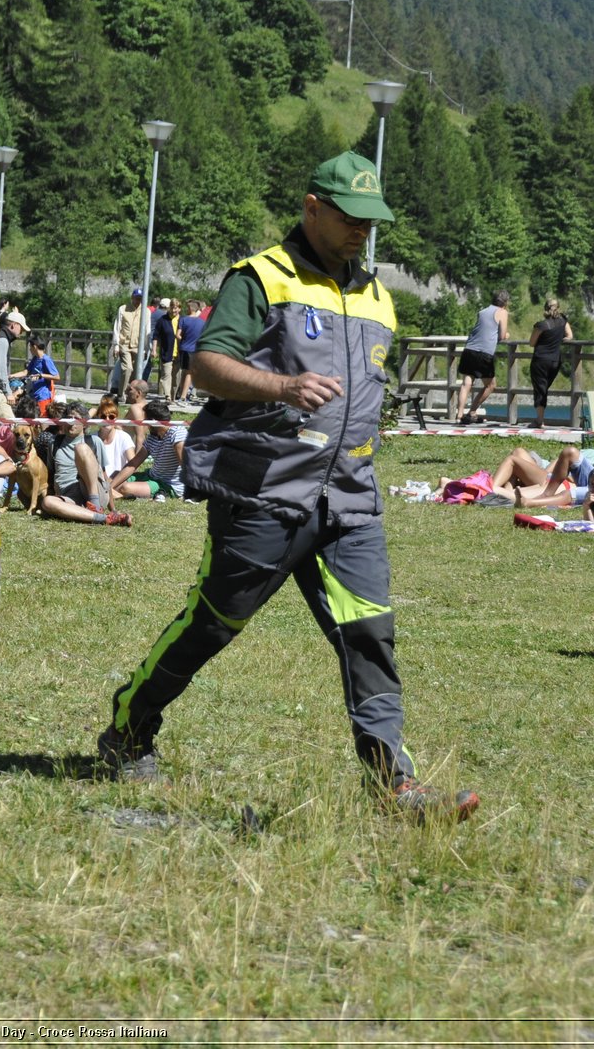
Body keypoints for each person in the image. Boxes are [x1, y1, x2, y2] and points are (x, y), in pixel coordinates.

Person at [95, 151, 478, 822]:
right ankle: (128, 726)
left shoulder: (378, 296)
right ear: (311, 208)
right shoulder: (260, 279)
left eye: (372, 220)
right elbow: (208, 366)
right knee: (213, 624)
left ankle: (395, 783)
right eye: (350, 217)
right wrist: (284, 387)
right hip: (263, 494)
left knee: (370, 635)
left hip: (350, 500)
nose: (363, 229)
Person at [38, 399, 130, 527]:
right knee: (47, 502)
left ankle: (96, 506)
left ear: (85, 424)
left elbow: (104, 477)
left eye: (76, 419)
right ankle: (103, 518)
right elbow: (50, 474)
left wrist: (113, 508)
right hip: (69, 497)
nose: (72, 423)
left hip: (93, 492)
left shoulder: (94, 441)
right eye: (69, 418)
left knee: (80, 448)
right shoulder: (55, 443)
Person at [107, 397, 188, 500]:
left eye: (146, 420)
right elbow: (133, 464)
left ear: (153, 422)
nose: (144, 423)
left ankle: (117, 493)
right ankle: (110, 492)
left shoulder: (178, 433)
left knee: (125, 488)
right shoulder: (152, 438)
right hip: (151, 476)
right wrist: (110, 487)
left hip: (169, 484)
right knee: (114, 476)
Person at [457, 290, 508, 425]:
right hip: (484, 353)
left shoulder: (483, 311)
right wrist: (506, 335)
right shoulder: (502, 312)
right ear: (505, 303)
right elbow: (502, 336)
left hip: (469, 349)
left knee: (466, 383)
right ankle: (472, 411)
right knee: (491, 385)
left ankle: (459, 414)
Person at [528, 297, 571, 428]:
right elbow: (569, 336)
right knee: (544, 388)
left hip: (540, 360)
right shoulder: (563, 320)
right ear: (558, 308)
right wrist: (559, 339)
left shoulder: (541, 325)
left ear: (545, 309)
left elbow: (531, 343)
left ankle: (539, 420)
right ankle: (540, 419)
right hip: (555, 360)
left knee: (540, 389)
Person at [111, 288, 145, 402]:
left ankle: (132, 395)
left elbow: (147, 330)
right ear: (132, 297)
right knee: (127, 368)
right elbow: (117, 327)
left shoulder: (145, 311)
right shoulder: (123, 309)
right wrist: (116, 345)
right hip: (124, 344)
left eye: (140, 299)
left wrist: (145, 348)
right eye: (136, 298)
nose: (137, 301)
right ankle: (121, 394)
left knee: (136, 371)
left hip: (138, 345)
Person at [151, 298, 180, 399]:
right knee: (166, 375)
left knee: (176, 377)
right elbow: (155, 336)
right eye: (172, 308)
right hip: (167, 352)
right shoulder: (162, 320)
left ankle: (173, 396)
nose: (173, 310)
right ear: (168, 308)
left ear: (179, 309)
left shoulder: (182, 320)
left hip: (179, 353)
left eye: (176, 308)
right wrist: (154, 350)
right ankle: (167, 395)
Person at [176, 299, 204, 402]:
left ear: (189, 308)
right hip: (194, 349)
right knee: (189, 373)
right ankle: (184, 396)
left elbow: (178, 335)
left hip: (184, 348)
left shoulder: (183, 320)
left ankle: (181, 395)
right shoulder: (202, 323)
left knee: (185, 372)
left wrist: (183, 339)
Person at [23, 334, 58, 408]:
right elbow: (25, 372)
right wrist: (10, 376)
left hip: (43, 396)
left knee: (42, 419)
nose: (29, 349)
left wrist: (41, 375)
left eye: (30, 347)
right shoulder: (35, 359)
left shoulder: (46, 359)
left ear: (35, 347)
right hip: (34, 395)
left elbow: (57, 377)